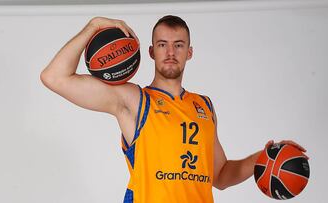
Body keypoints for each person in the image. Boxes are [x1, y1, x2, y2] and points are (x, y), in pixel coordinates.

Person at [40, 15, 307, 203]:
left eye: (178, 45)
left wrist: (266, 156)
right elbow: (54, 77)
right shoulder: (133, 100)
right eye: (162, 45)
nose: (170, 52)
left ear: (189, 52)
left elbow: (221, 176)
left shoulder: (204, 106)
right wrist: (93, 26)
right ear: (151, 52)